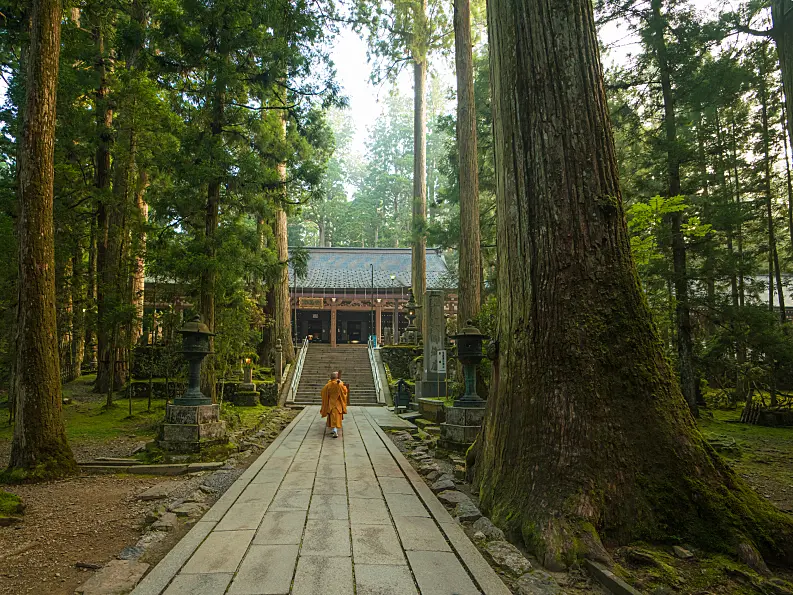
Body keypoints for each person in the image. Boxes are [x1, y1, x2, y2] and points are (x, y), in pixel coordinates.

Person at [320, 372, 347, 438]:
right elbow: (345, 391)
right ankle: (335, 429)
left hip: (330, 403)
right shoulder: (339, 385)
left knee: (332, 416)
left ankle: (333, 429)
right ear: (337, 377)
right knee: (336, 417)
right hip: (338, 403)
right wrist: (341, 383)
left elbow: (323, 393)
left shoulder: (328, 385)